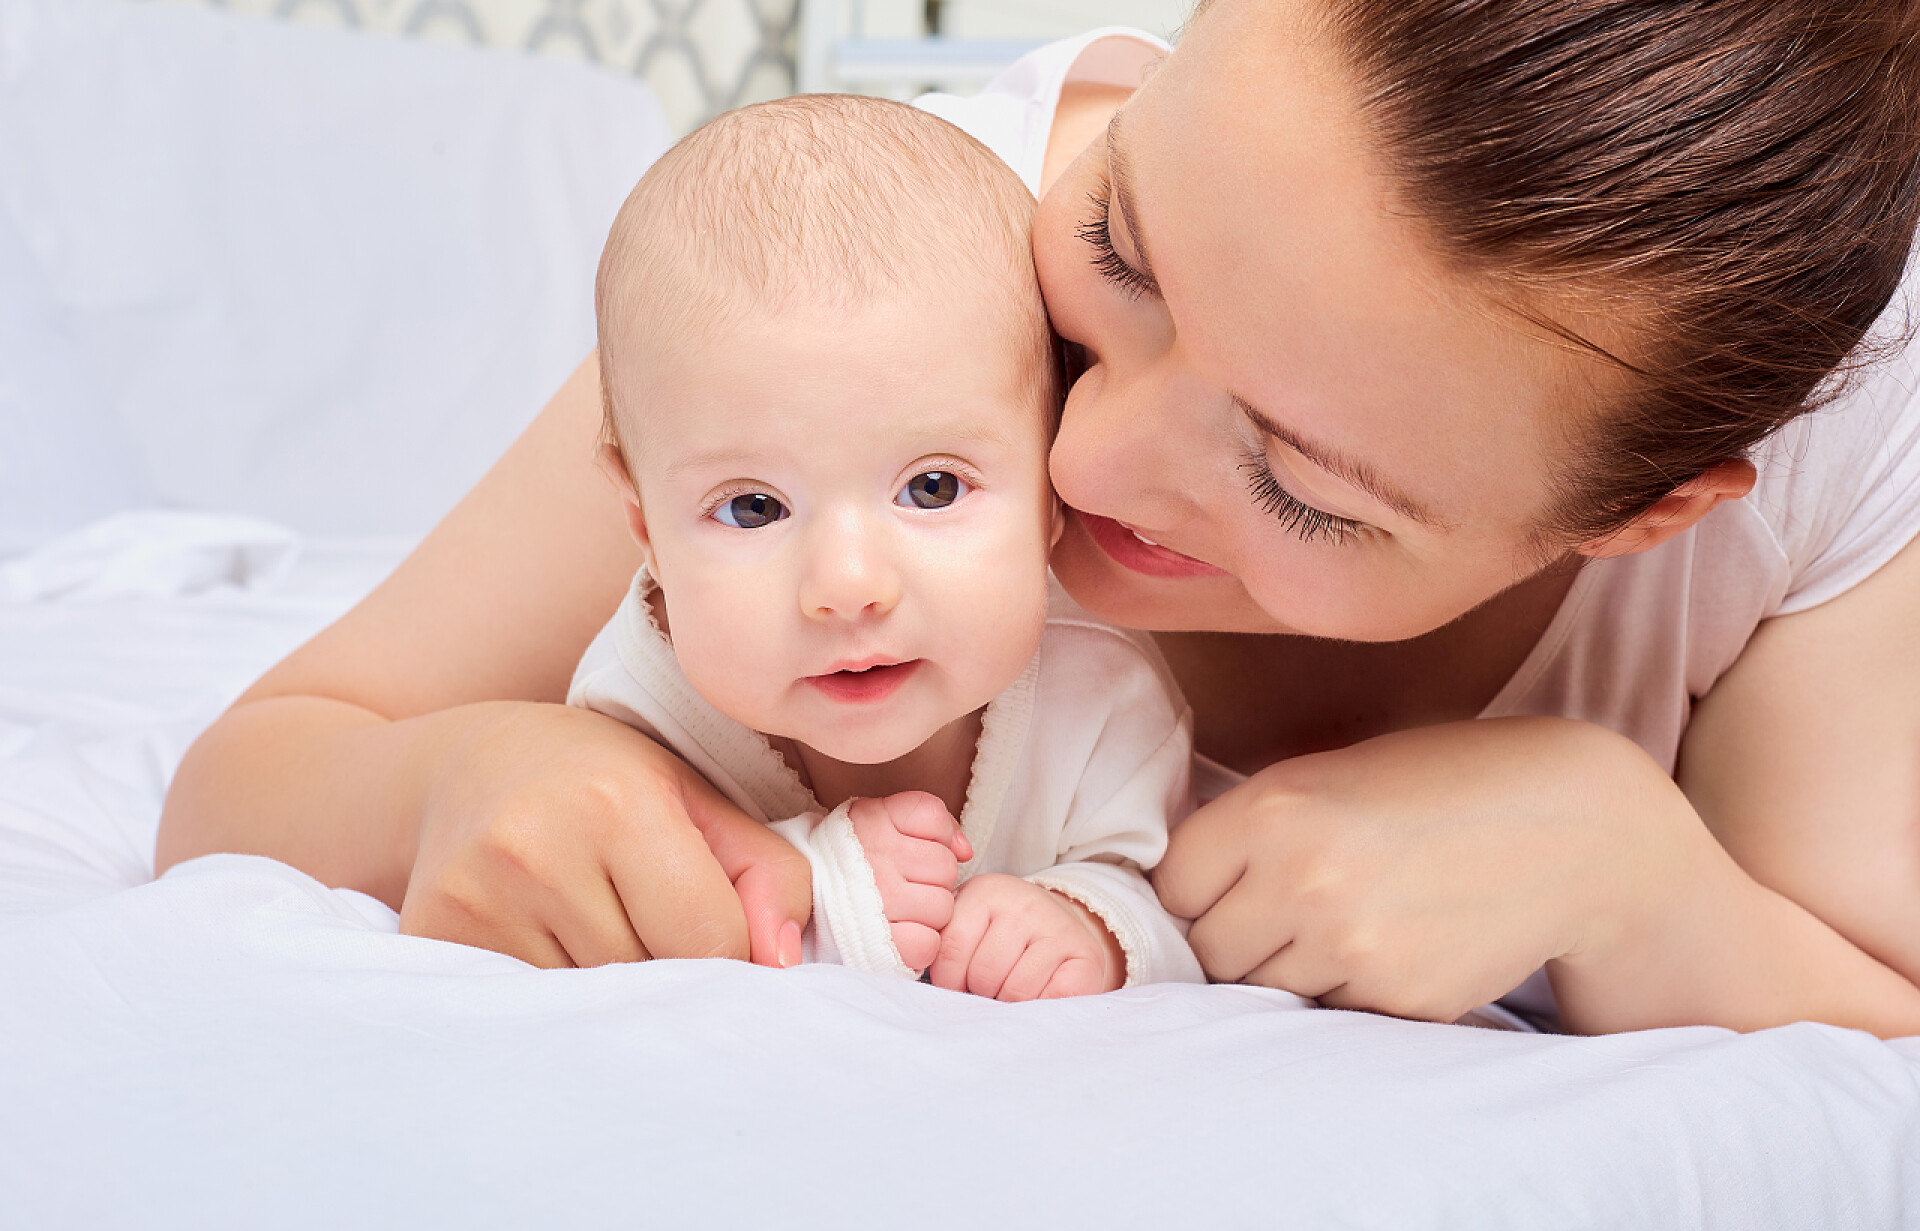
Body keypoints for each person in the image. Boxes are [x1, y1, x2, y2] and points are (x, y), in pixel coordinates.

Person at [157, 0, 1920, 1037]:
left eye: (1304, 482)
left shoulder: (1836, 449)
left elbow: (1876, 1019)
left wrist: (1620, 861)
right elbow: (264, 769)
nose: (1083, 465)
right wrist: (453, 782)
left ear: (1646, 516)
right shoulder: (859, 269)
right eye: (1119, 251)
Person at [572, 94, 1202, 998]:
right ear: (644, 529)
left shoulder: (1101, 697)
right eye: (754, 508)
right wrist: (812, 879)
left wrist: (1090, 922)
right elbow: (618, 910)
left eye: (933, 488)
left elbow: (1169, 902)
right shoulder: (642, 709)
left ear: (1050, 490)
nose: (848, 586)